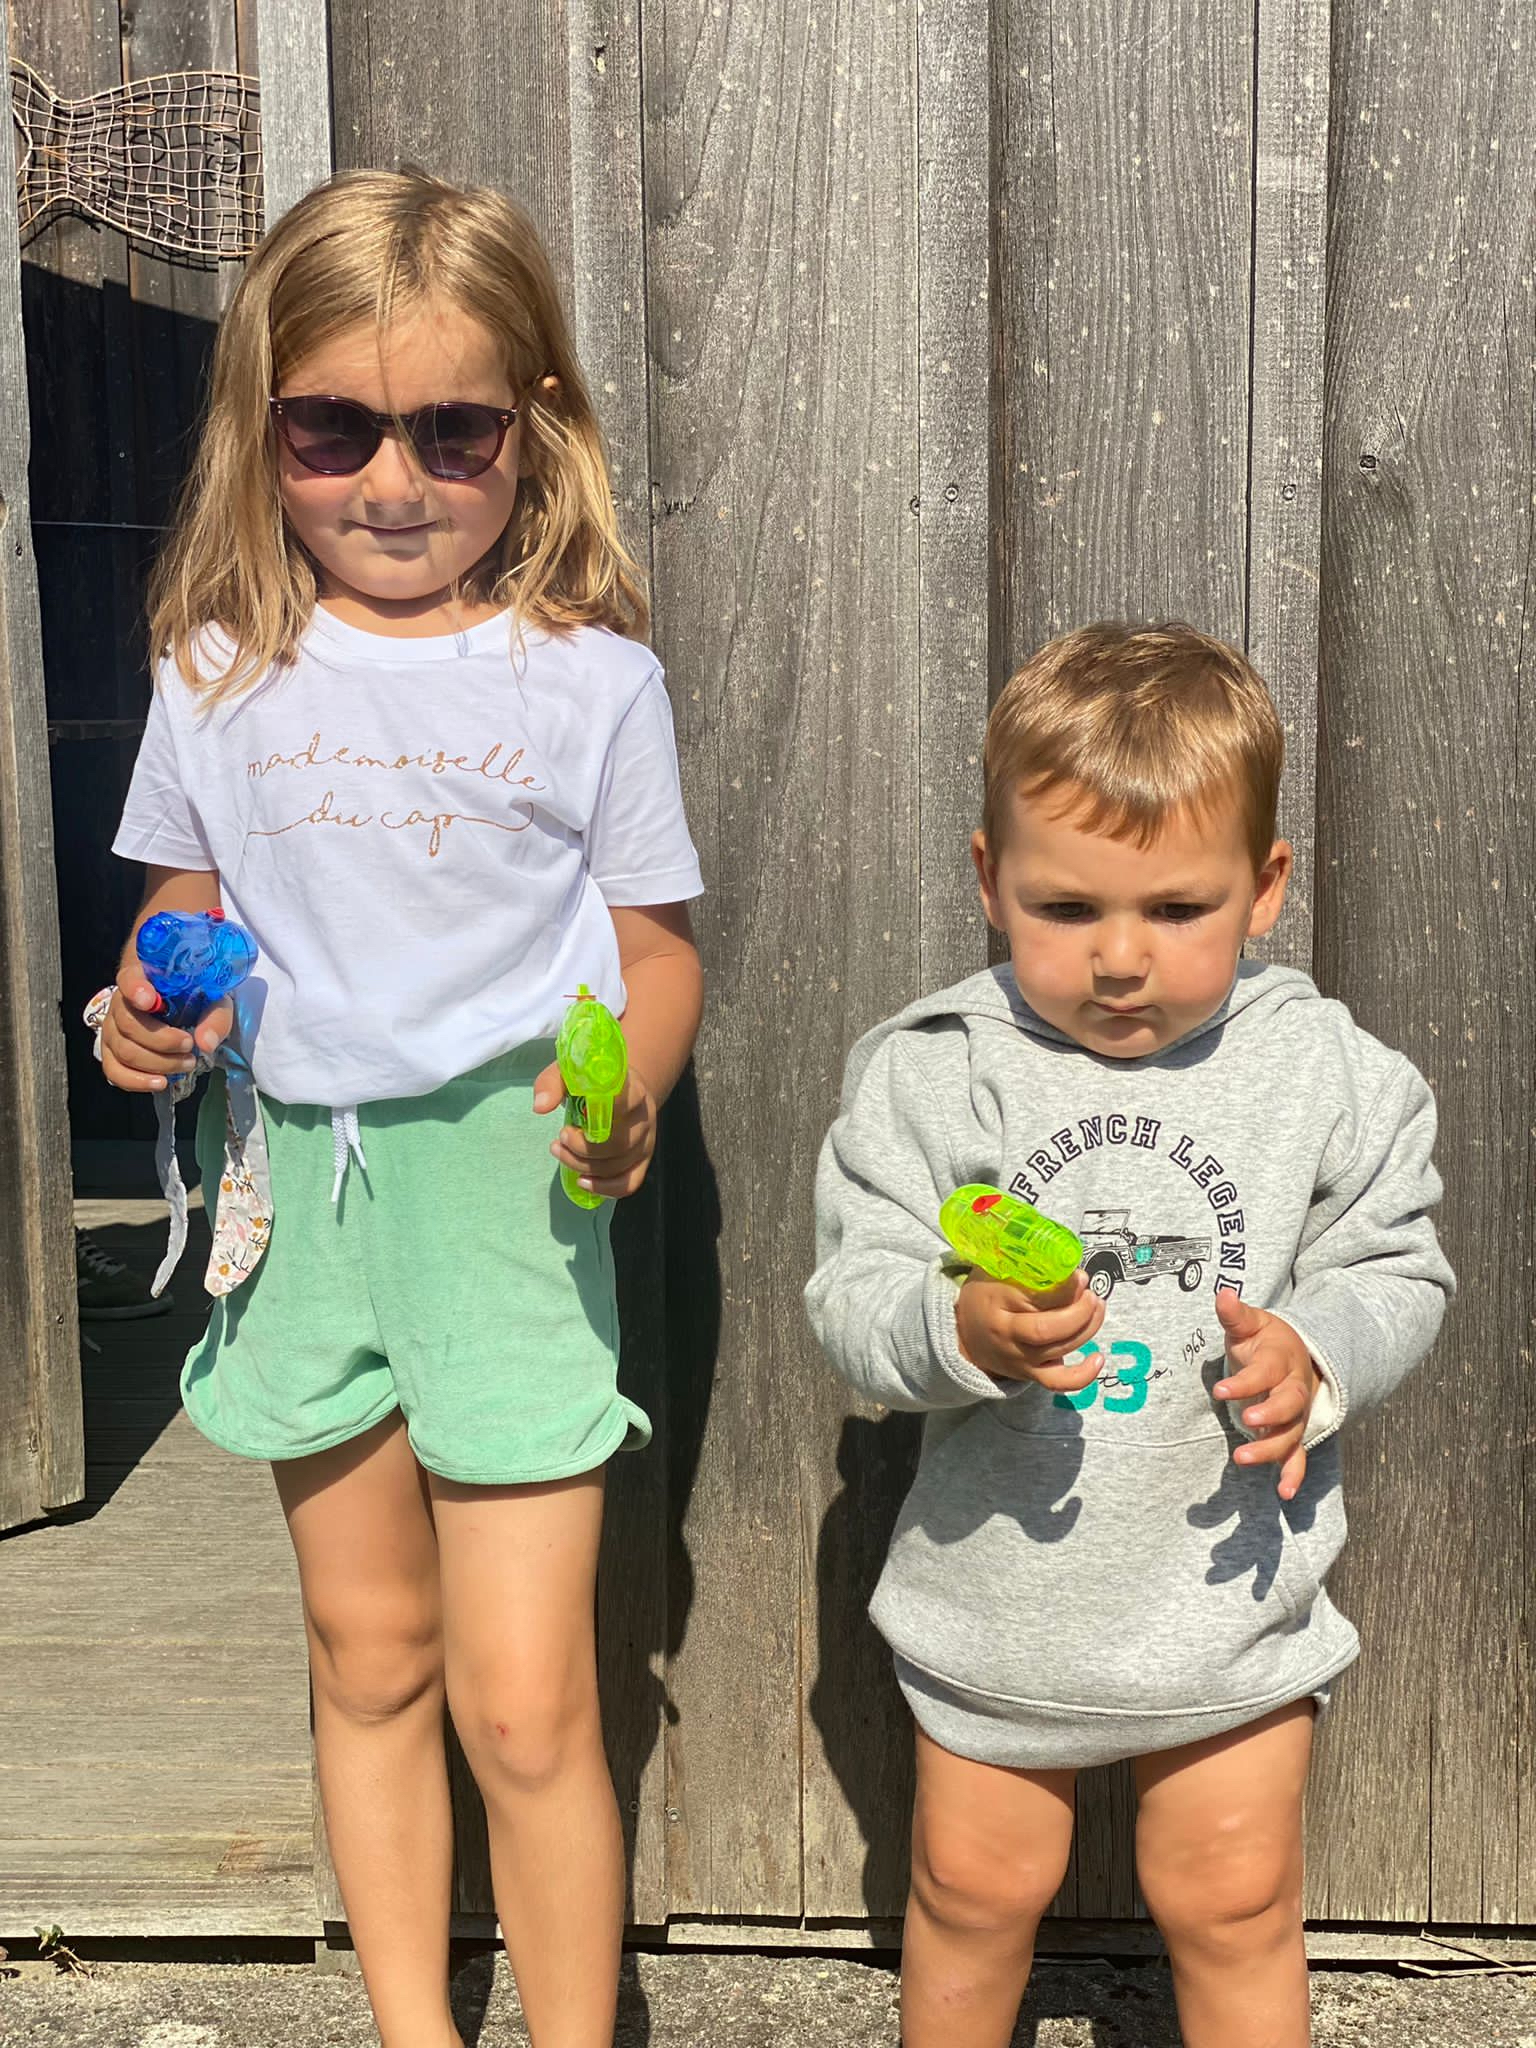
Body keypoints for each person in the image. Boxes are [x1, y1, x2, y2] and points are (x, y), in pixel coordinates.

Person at [95, 168, 704, 2048]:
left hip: (507, 1193)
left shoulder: (593, 686)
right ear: (261, 427)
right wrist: (140, 1016)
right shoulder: (213, 673)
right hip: (301, 1191)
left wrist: (633, 1105)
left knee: (526, 1700)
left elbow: (656, 956)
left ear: (536, 432)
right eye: (332, 427)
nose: (393, 480)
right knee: (368, 1658)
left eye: (451, 430)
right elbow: (179, 933)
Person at [805, 622, 1453, 2048]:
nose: (1116, 959)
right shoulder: (937, 1073)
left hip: (1227, 1598)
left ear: (1265, 887)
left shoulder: (1328, 1078)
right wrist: (957, 1328)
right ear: (988, 878)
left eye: (1175, 910)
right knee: (974, 1893)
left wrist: (1321, 1350)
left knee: (1233, 1897)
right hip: (1000, 1607)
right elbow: (853, 1301)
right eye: (1063, 906)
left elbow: (1399, 1264)